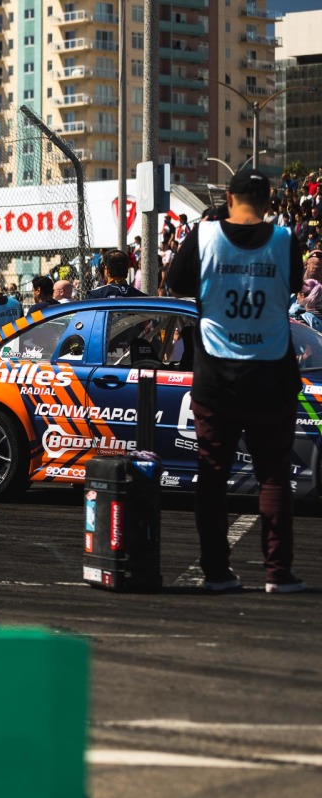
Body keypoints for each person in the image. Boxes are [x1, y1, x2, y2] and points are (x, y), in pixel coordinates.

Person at [166, 168, 305, 593]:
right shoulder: (284, 241)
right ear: (268, 202)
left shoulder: (204, 236)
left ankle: (216, 572)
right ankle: (277, 572)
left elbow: (175, 284)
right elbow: (295, 287)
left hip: (217, 379)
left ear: (229, 197)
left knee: (212, 475)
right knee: (274, 476)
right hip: (271, 375)